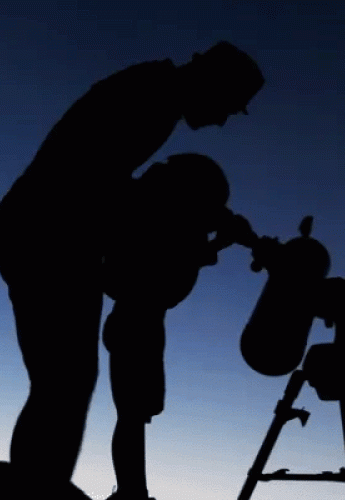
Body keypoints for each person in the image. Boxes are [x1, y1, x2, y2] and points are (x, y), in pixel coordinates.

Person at [0, 41, 264, 500]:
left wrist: (195, 217)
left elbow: (119, 189)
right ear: (214, 83)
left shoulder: (154, 96)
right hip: (47, 237)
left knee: (62, 386)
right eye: (230, 106)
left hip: (46, 236)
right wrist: (197, 216)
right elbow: (97, 181)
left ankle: (36, 488)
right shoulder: (151, 98)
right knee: (64, 387)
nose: (222, 120)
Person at [102, 154, 253, 500]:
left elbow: (183, 251)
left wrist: (222, 238)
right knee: (131, 415)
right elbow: (167, 258)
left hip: (145, 321)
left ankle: (132, 491)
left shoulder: (170, 213)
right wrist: (220, 242)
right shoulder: (157, 216)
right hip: (135, 321)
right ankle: (131, 493)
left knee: (135, 415)